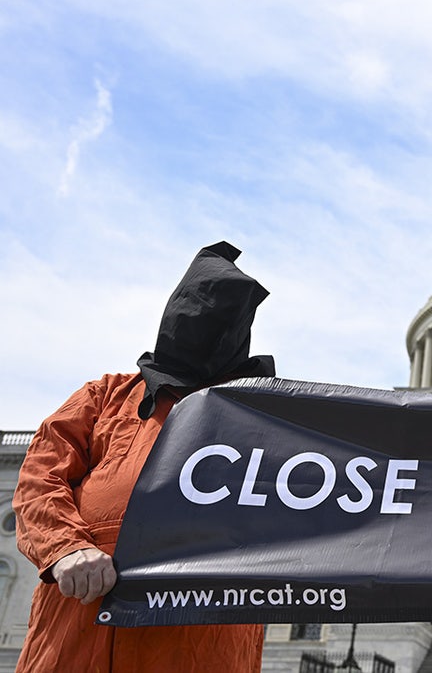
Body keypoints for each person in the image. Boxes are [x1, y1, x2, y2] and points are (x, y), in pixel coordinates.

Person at [13, 241, 274, 672]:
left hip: (201, 643)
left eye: (221, 320)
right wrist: (66, 548)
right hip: (81, 630)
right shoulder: (104, 396)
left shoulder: (264, 416)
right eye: (195, 312)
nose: (203, 328)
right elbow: (40, 477)